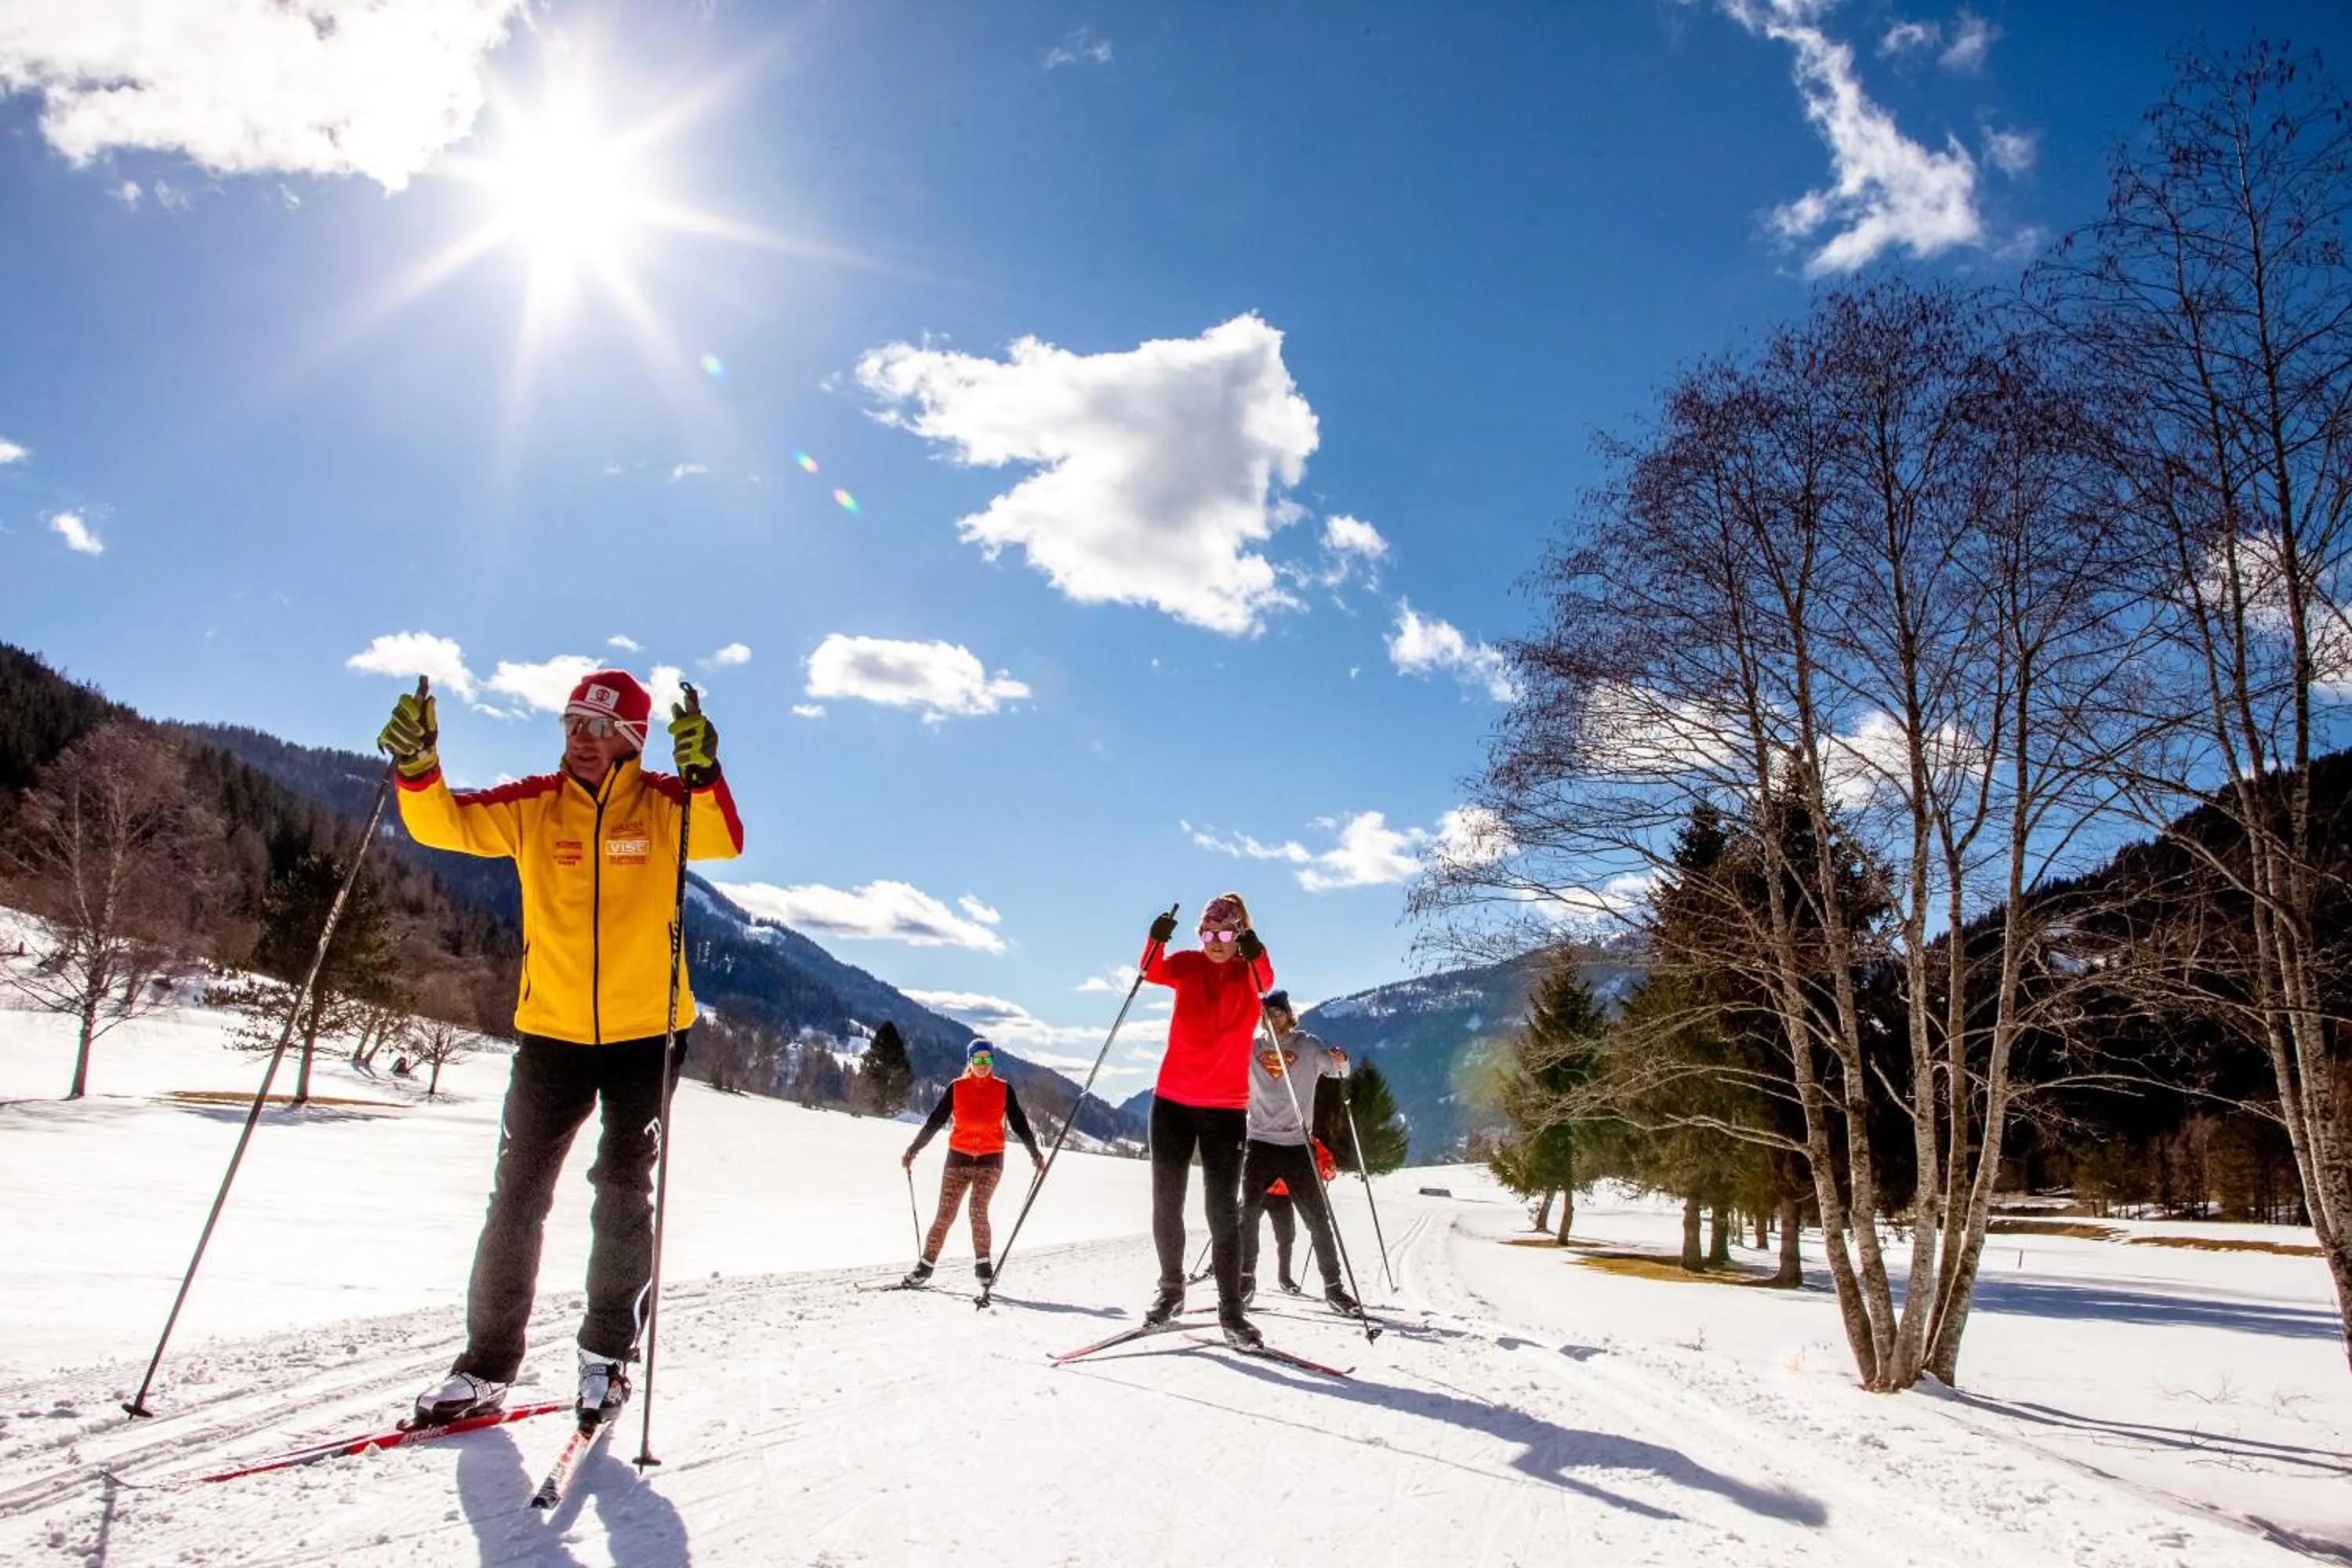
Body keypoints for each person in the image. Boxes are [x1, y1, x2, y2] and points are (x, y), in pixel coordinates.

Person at [377, 669, 744, 1429]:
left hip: (649, 1034)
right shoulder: (535, 805)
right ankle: (484, 1366)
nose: (581, 737)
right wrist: (417, 767)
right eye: (572, 722)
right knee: (516, 1197)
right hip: (552, 1034)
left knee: (620, 1191)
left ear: (635, 740)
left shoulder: (667, 804)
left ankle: (607, 1357)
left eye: (598, 726)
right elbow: (442, 823)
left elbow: (723, 838)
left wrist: (704, 771)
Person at [1138, 891, 1273, 1347]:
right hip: (1172, 1101)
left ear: (1240, 935)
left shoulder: (1249, 971)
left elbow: (1266, 980)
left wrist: (1256, 950)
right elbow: (1151, 970)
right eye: (1209, 932)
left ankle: (1231, 1312)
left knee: (1221, 1213)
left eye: (1226, 932)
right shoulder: (1189, 965)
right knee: (1167, 1200)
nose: (1216, 941)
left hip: (1225, 1109)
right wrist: (1154, 940)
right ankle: (1170, 1290)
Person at [1240, 991, 1358, 1315]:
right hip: (1259, 1142)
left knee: (1318, 1219)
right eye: (1267, 1013)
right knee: (1245, 1215)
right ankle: (1245, 1280)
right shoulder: (1251, 1048)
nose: (1273, 1018)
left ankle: (1334, 1289)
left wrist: (1340, 1059)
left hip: (1297, 1145)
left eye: (1279, 1013)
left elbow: (1341, 1072)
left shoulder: (1307, 1045)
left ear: (1290, 1015)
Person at [898, 1038, 1044, 1287]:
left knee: (977, 1210)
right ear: (970, 1061)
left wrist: (1035, 1154)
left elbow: (1019, 1123)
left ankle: (984, 1269)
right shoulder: (957, 1088)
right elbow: (935, 1121)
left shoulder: (1003, 1089)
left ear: (992, 1061)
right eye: (977, 1059)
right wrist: (914, 1149)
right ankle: (925, 1268)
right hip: (958, 1158)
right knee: (945, 1214)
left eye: (987, 1059)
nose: (982, 1064)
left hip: (990, 1160)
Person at [1240, 1138, 1340, 1294]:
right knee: (1242, 1228)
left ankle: (1284, 1277)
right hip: (1260, 1191)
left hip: (1282, 1197)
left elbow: (1325, 1158)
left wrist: (1329, 1169)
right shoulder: (1265, 1130)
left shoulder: (1304, 1137)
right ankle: (1227, 1269)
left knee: (1286, 1237)